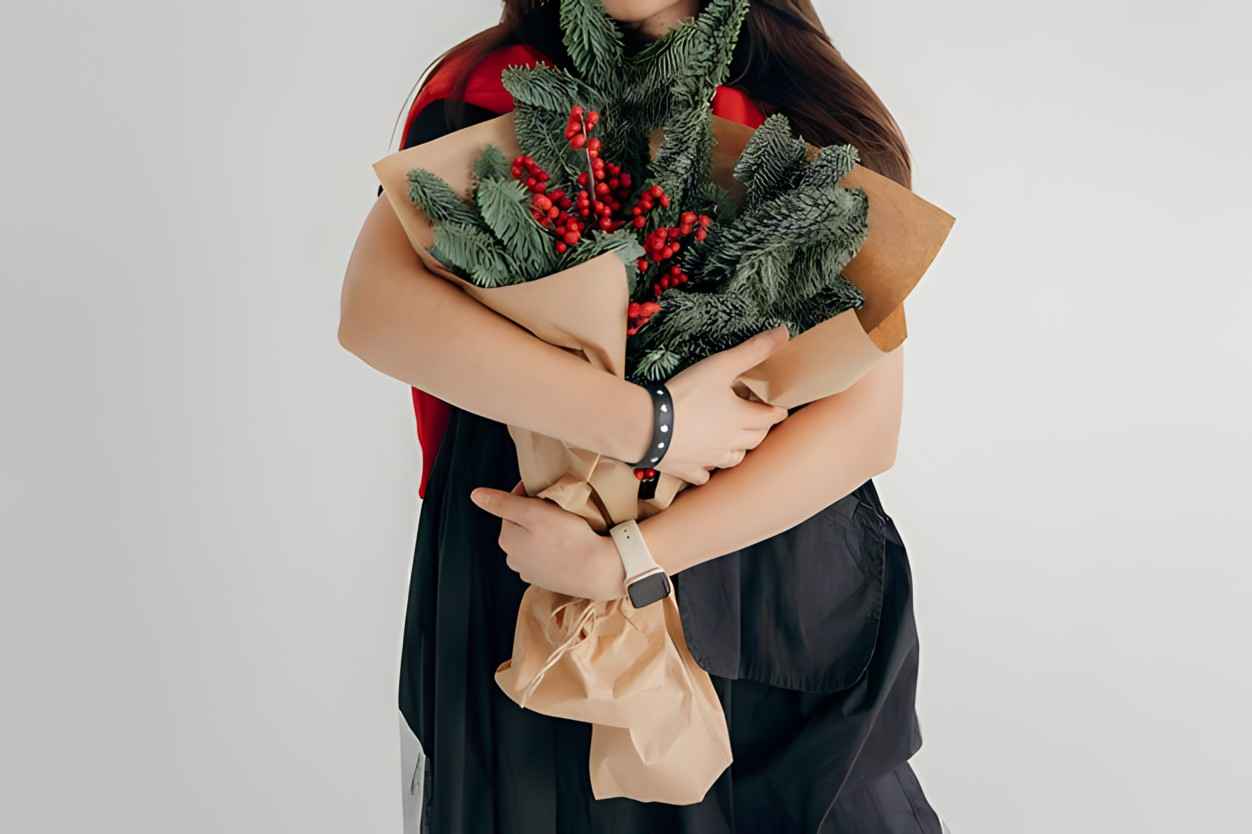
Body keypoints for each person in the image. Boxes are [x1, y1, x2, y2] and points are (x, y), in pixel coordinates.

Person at [340, 2, 948, 831]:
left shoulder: (811, 109)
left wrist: (627, 560)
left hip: (772, 590)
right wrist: (650, 425)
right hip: (537, 586)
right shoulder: (495, 89)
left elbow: (865, 426)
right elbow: (375, 310)